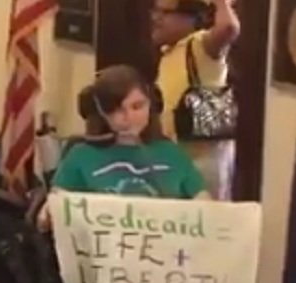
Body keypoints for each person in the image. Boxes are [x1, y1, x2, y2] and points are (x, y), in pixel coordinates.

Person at [47, 64, 208, 204]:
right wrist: (49, 211)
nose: (129, 117)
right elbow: (52, 211)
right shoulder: (81, 156)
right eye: (117, 110)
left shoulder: (171, 153)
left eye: (137, 106)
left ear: (151, 105)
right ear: (101, 113)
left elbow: (205, 203)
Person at [151, 0, 241, 199]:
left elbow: (229, 29)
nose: (156, 18)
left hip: (203, 163)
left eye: (165, 12)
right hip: (175, 157)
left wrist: (220, 0)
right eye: (156, 10)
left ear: (192, 18)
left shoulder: (200, 46)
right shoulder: (171, 52)